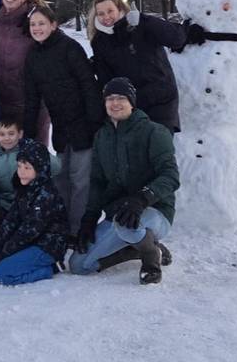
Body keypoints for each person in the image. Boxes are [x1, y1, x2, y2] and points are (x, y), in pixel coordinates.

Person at [70, 78, 179, 285]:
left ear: (132, 103)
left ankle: (150, 258)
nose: (115, 103)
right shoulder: (102, 136)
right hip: (119, 214)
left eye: (121, 98)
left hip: (154, 211)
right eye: (110, 98)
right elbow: (98, 181)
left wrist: (142, 198)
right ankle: (137, 250)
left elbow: (171, 176)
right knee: (79, 265)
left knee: (127, 225)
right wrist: (89, 219)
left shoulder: (154, 132)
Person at [22, 4, 103, 235]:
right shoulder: (32, 56)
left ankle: (78, 231)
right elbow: (32, 98)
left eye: (42, 23)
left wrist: (94, 123)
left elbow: (88, 85)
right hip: (60, 126)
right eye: (33, 24)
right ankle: (62, 227)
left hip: (83, 123)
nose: (37, 28)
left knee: (80, 180)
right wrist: (28, 134)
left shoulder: (69, 48)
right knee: (61, 178)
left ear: (53, 25)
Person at [89, 0, 195, 133]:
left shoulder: (139, 25)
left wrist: (144, 20)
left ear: (119, 9)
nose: (106, 17)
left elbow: (177, 39)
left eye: (110, 11)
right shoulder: (99, 42)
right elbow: (106, 79)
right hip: (129, 108)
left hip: (160, 103)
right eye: (101, 13)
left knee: (158, 146)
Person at [0, 139, 69, 286]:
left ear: (40, 169)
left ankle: (50, 268)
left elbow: (28, 231)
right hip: (30, 241)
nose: (21, 172)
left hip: (47, 246)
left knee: (1, 273)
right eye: (19, 166)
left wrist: (3, 253)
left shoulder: (46, 195)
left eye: (27, 168)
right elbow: (10, 222)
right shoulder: (25, 188)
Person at [0, 0, 51, 145]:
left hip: (30, 98)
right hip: (4, 94)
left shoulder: (34, 19)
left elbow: (55, 44)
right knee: (9, 146)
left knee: (34, 146)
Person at [0, 118, 61, 231]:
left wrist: (39, 151)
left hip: (28, 202)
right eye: (2, 134)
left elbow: (56, 167)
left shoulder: (29, 151)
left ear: (20, 134)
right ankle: (4, 232)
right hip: (5, 203)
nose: (7, 138)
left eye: (11, 134)